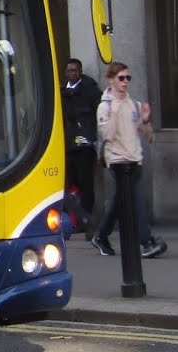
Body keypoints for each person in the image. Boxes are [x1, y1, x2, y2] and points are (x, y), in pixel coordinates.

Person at [91, 61, 168, 259]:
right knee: (136, 201)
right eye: (121, 78)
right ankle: (147, 242)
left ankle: (100, 236)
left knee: (119, 202)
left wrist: (145, 120)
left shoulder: (133, 104)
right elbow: (107, 135)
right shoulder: (105, 107)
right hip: (118, 161)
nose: (125, 82)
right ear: (111, 80)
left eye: (128, 78)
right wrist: (115, 113)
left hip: (135, 158)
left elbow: (148, 136)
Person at [63, 58, 103, 236]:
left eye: (76, 70)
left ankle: (86, 221)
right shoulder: (63, 91)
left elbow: (99, 112)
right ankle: (75, 218)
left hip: (85, 144)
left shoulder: (90, 90)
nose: (73, 73)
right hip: (69, 143)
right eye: (70, 70)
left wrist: (90, 134)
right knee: (71, 183)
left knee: (85, 183)